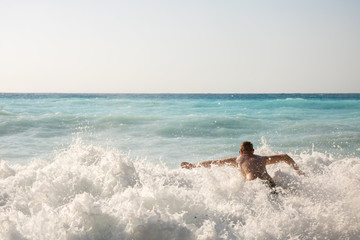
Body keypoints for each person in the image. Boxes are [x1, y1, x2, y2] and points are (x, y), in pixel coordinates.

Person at [181, 141, 305, 188]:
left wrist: (192, 166)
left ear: (240, 152)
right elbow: (285, 157)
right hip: (269, 183)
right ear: (253, 151)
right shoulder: (262, 158)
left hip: (254, 185)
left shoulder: (237, 159)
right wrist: (299, 171)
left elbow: (213, 162)